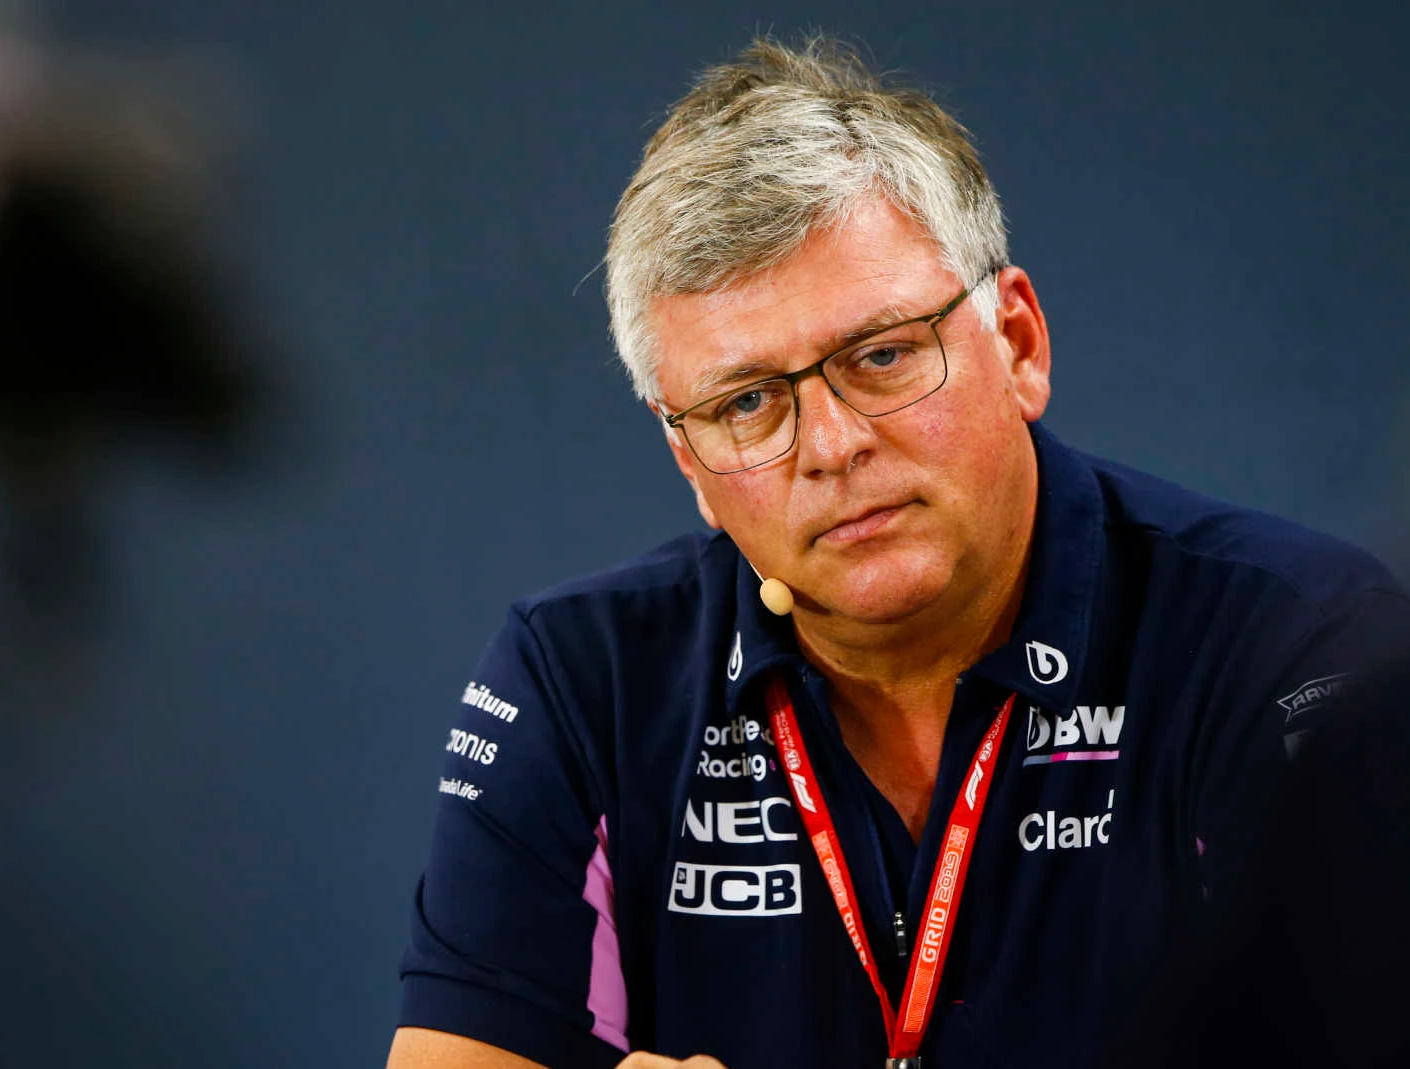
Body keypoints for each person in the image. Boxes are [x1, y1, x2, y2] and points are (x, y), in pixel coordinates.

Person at [386, 35, 1410, 1069]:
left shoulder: (1293, 638)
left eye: (880, 356)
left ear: (1016, 343)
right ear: (687, 457)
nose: (831, 446)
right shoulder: (576, 678)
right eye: (747, 403)